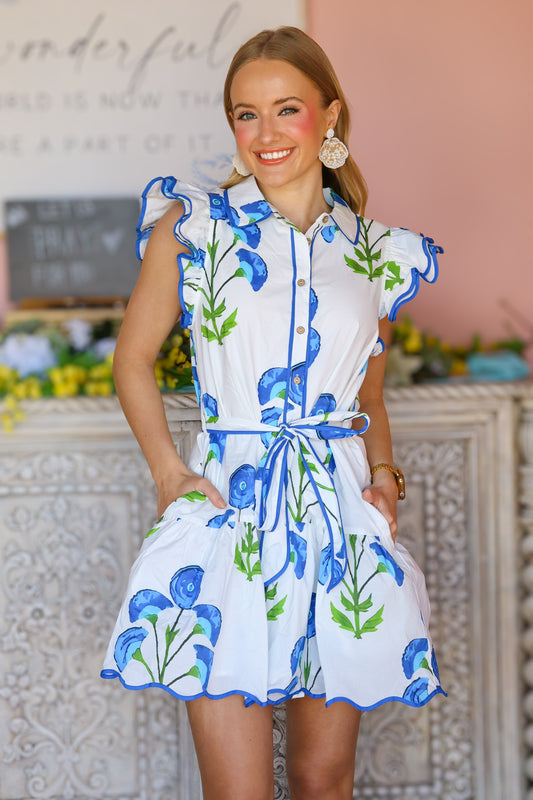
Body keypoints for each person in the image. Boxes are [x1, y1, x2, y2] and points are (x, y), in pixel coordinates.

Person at [101, 26, 445, 800]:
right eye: (244, 114)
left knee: (325, 781)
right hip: (230, 516)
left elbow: (367, 395)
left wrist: (384, 480)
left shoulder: (373, 252)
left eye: (284, 109)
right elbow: (131, 360)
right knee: (239, 792)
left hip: (338, 524)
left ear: (328, 115)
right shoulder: (193, 231)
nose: (263, 133)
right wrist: (168, 472)